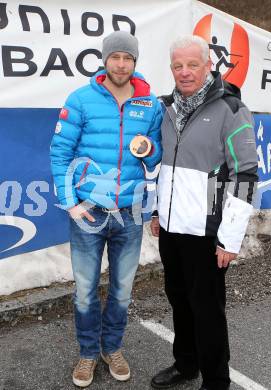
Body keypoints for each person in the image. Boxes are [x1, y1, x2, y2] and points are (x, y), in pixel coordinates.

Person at [50, 30, 162, 388]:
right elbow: (60, 153)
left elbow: (158, 152)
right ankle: (87, 353)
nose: (121, 63)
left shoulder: (149, 103)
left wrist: (150, 150)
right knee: (84, 289)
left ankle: (111, 348)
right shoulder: (81, 99)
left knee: (122, 290)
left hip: (129, 214)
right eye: (115, 57)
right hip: (89, 212)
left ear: (135, 62)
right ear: (105, 59)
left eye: (128, 58)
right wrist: (70, 202)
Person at [150, 35, 258, 390]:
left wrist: (229, 238)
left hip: (207, 233)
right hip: (170, 229)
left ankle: (216, 380)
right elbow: (164, 168)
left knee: (208, 311)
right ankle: (186, 364)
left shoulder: (231, 110)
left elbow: (245, 174)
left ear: (208, 66)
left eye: (192, 65)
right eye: (178, 66)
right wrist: (156, 213)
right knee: (179, 301)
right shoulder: (165, 108)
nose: (184, 72)